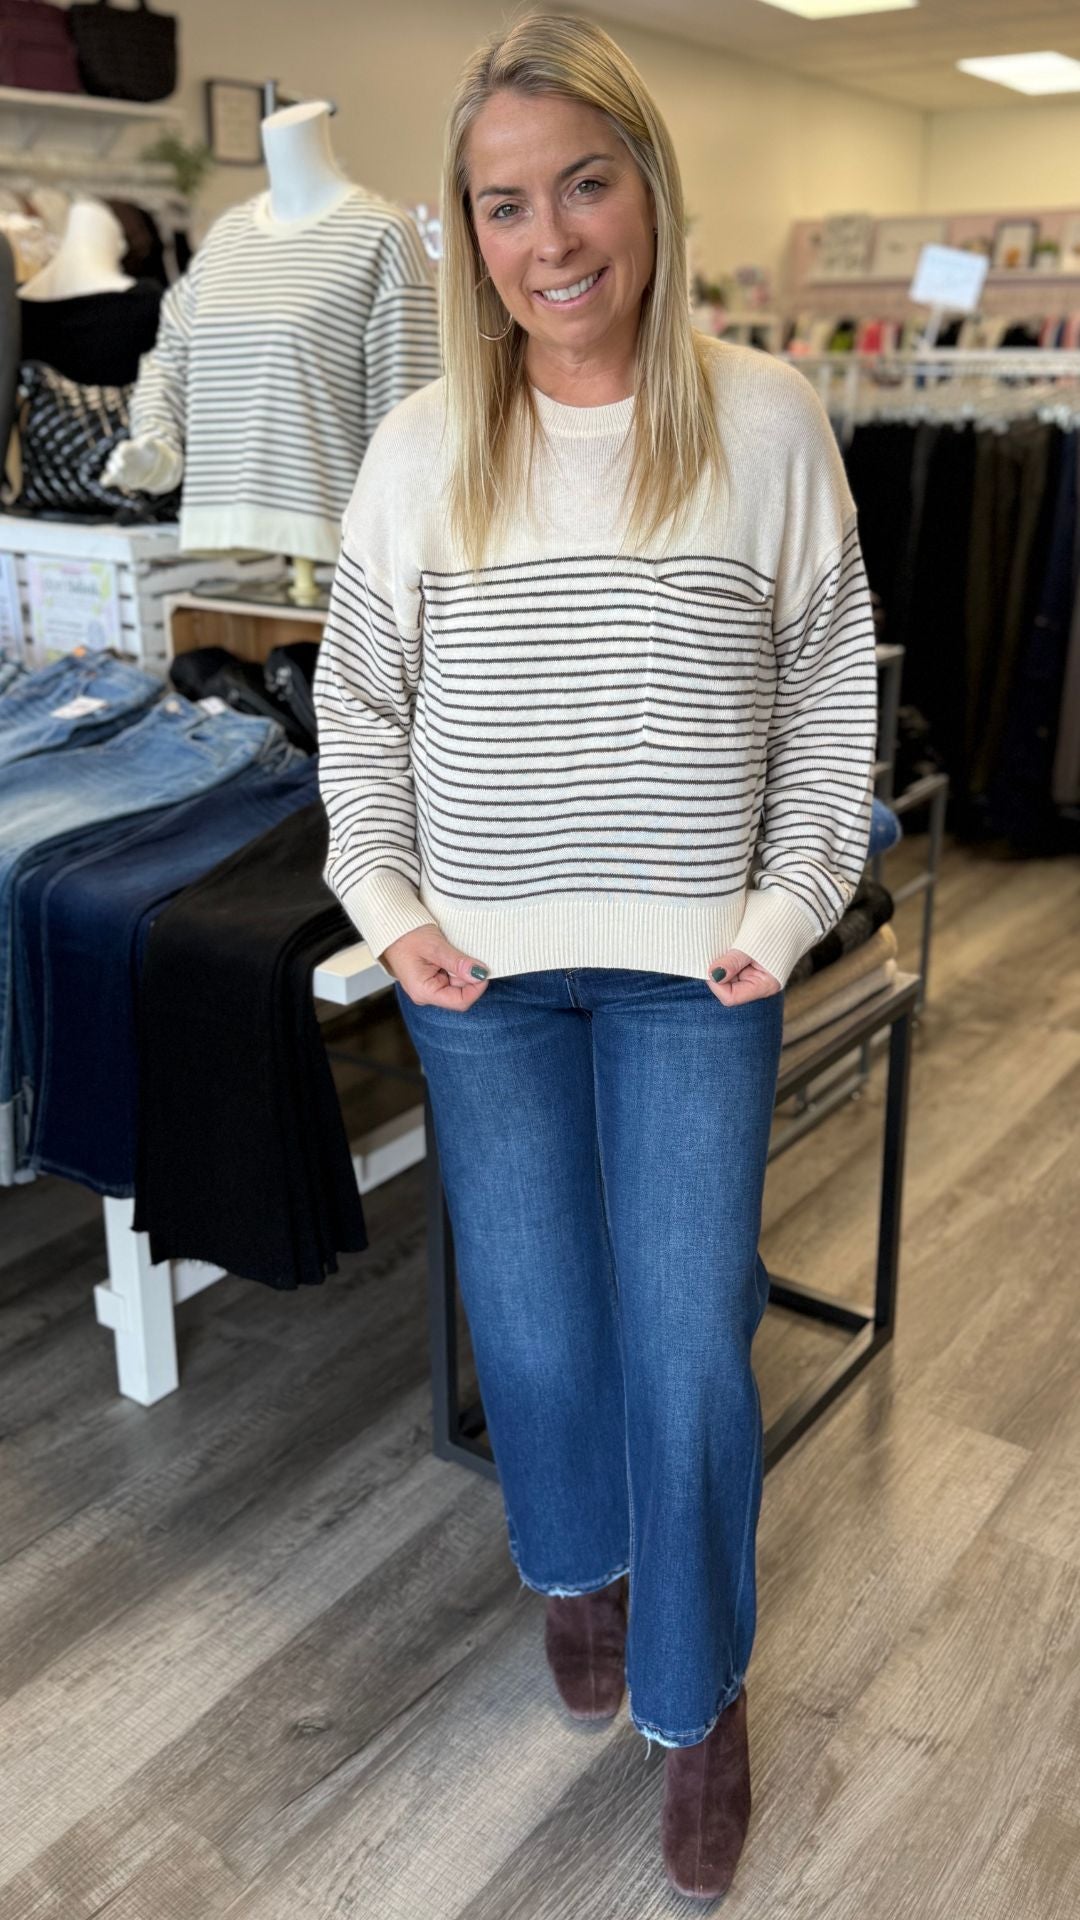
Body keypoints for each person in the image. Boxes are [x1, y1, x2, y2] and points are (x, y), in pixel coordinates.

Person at [313, 11, 877, 1901]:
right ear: (465, 232)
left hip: (698, 977)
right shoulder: (420, 448)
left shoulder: (769, 421)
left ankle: (697, 1698)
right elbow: (357, 705)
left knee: (688, 1342)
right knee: (540, 1327)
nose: (549, 239)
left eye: (584, 184)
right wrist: (391, 908)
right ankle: (579, 1569)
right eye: (504, 204)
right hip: (478, 979)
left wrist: (787, 908)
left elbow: (831, 694)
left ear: (649, 188)